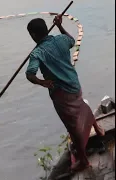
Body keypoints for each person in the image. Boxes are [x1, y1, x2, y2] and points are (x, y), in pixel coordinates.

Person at [25, 15, 105, 172]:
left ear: (34, 35)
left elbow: (30, 74)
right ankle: (98, 129)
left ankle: (83, 161)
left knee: (72, 127)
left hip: (62, 94)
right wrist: (60, 26)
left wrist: (42, 82)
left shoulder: (37, 53)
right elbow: (72, 40)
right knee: (81, 106)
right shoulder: (60, 39)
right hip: (75, 85)